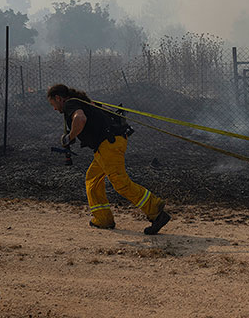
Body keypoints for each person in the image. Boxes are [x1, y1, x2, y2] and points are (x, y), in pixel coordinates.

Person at [46, 83, 171, 235]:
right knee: (92, 179)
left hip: (108, 145)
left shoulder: (70, 104)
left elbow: (80, 119)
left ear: (58, 98)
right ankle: (103, 219)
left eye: (53, 104)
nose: (54, 108)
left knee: (121, 183)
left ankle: (156, 212)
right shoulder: (82, 101)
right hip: (109, 144)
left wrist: (69, 137)